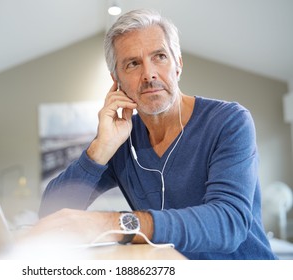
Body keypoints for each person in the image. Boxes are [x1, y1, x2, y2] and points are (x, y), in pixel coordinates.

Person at [34, 9, 277, 260]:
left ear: (178, 65)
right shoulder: (122, 139)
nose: (149, 74)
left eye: (159, 56)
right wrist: (101, 147)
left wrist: (117, 224)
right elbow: (52, 212)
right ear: (116, 81)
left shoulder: (228, 121)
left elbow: (228, 223)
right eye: (133, 64)